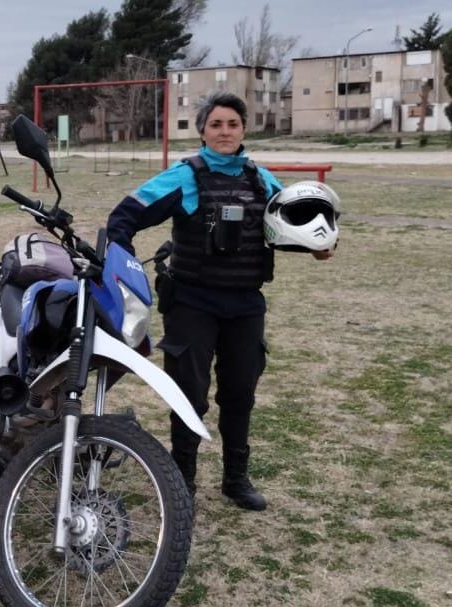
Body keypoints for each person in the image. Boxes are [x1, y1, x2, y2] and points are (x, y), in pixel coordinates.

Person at [106, 92, 332, 511]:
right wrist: (121, 271)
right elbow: (124, 217)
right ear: (204, 132)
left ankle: (235, 478)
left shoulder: (263, 181)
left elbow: (292, 228)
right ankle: (182, 480)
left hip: (246, 304)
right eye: (216, 125)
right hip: (192, 302)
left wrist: (317, 247)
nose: (224, 131)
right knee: (189, 393)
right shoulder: (184, 177)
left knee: (240, 392)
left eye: (232, 124)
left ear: (244, 129)